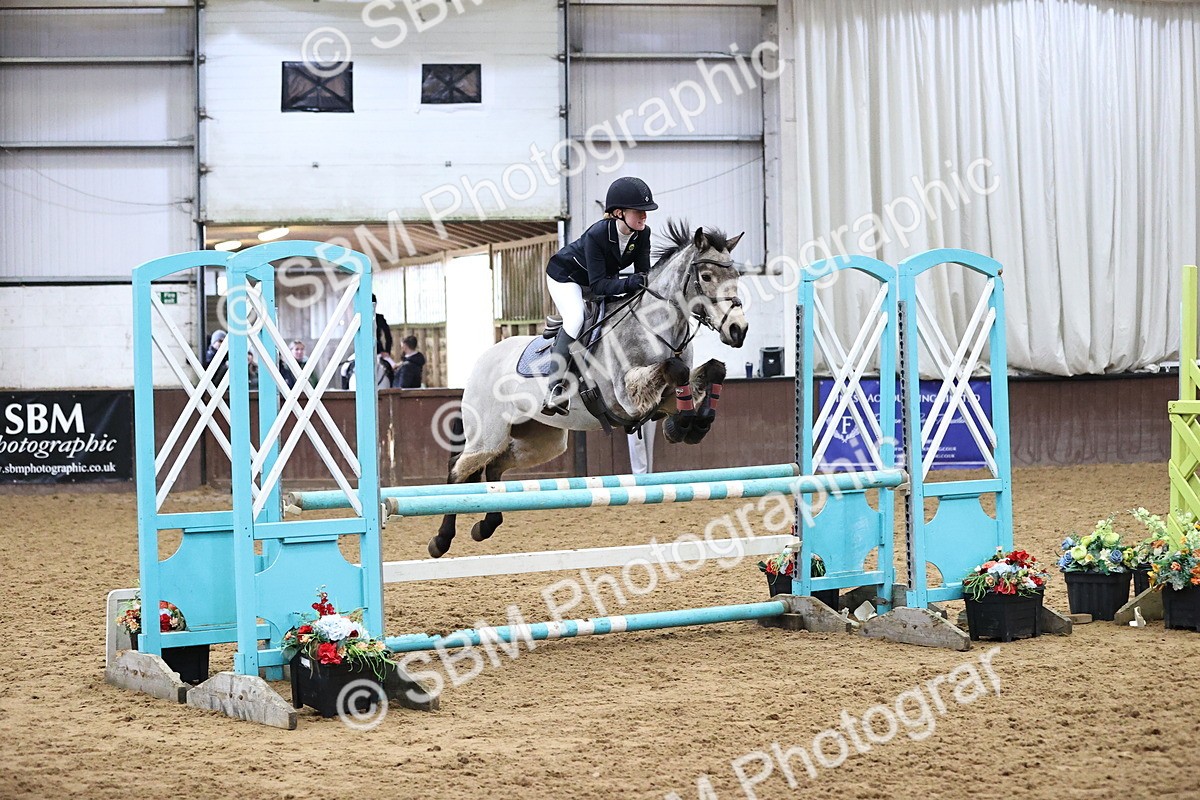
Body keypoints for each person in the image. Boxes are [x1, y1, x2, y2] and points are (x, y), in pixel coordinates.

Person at [541, 176, 658, 415]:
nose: (644, 216)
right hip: (567, 277)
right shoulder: (598, 234)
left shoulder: (642, 234)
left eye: (646, 211)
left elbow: (642, 276)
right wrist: (629, 282)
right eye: (639, 211)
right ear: (618, 213)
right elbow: (598, 286)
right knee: (575, 319)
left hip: (601, 279)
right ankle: (554, 389)